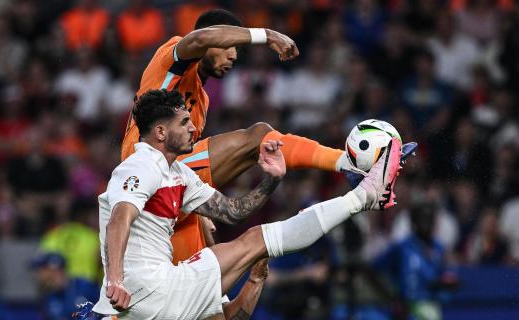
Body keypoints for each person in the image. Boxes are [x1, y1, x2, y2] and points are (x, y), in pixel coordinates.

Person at [87, 89, 401, 319]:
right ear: (160, 131)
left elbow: (233, 212)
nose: (193, 128)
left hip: (151, 297)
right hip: (145, 288)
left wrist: (272, 179)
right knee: (258, 241)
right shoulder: (140, 165)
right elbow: (119, 219)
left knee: (253, 242)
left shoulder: (178, 173)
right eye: (184, 122)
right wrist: (115, 279)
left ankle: (363, 197)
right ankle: (363, 197)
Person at [120, 8, 372, 266]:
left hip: (165, 195)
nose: (233, 56)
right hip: (143, 171)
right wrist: (267, 34)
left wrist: (200, 207)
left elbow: (193, 167)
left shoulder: (202, 102)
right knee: (259, 136)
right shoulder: (170, 58)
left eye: (237, 50)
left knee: (207, 289)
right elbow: (201, 39)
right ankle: (346, 162)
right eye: (229, 46)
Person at [30, 252, 99, 320]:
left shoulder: (84, 286)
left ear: (52, 270)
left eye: (41, 270)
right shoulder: (48, 296)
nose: (38, 275)